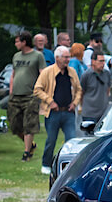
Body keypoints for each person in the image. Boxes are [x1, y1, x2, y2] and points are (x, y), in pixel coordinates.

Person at [33, 45, 81, 174]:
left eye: (68, 57)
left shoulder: (72, 71)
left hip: (68, 112)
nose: (68, 59)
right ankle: (46, 164)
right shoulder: (48, 72)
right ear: (57, 58)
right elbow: (37, 89)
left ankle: (70, 166)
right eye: (65, 57)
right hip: (53, 112)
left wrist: (75, 103)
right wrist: (50, 101)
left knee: (71, 140)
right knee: (51, 140)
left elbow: (78, 89)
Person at [8, 30, 46, 162]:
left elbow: (43, 74)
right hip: (15, 96)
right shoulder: (16, 56)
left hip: (31, 96)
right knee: (14, 125)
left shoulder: (37, 56)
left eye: (17, 41)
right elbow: (13, 75)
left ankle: (26, 152)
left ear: (24, 42)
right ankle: (31, 145)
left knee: (28, 125)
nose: (15, 44)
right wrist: (11, 91)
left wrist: (38, 91)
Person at [79, 51, 112, 130]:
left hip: (103, 113)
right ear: (93, 61)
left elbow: (107, 90)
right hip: (89, 114)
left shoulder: (107, 74)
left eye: (104, 61)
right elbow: (81, 92)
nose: (103, 63)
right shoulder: (86, 75)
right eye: (100, 61)